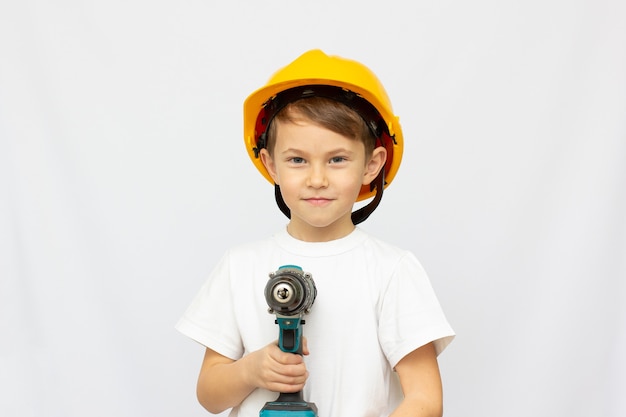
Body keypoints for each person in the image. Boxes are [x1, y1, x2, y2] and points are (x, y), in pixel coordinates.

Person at [176, 49, 455, 417]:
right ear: (271, 164)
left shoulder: (392, 270)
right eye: (297, 160)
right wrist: (251, 370)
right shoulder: (239, 265)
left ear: (372, 165)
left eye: (337, 159)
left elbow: (425, 400)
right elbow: (210, 396)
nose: (317, 179)